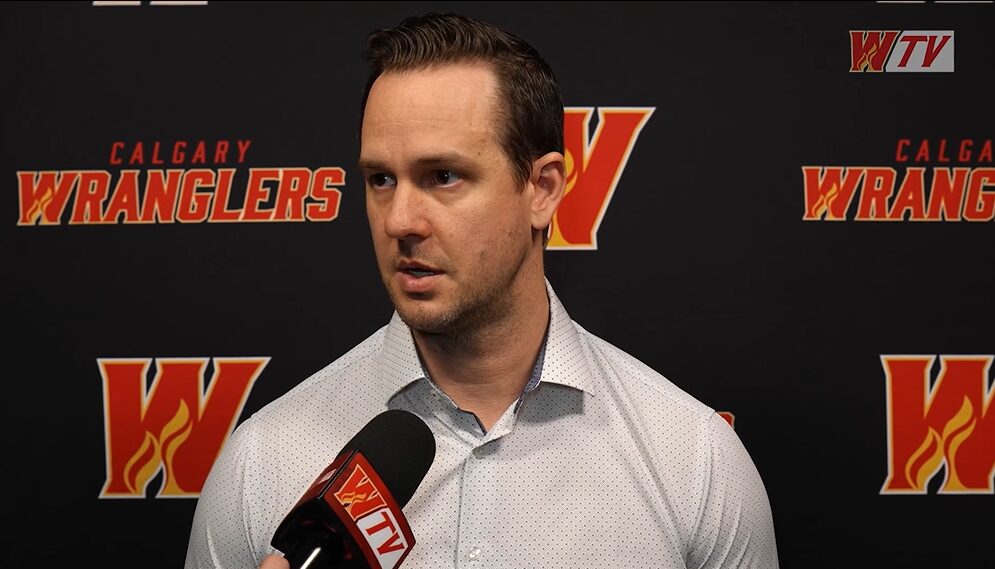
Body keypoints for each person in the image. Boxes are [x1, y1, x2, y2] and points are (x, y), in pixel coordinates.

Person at [185, 12, 779, 569]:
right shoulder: (261, 464)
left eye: (443, 176)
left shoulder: (693, 461)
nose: (400, 221)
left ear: (542, 188)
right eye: (381, 179)